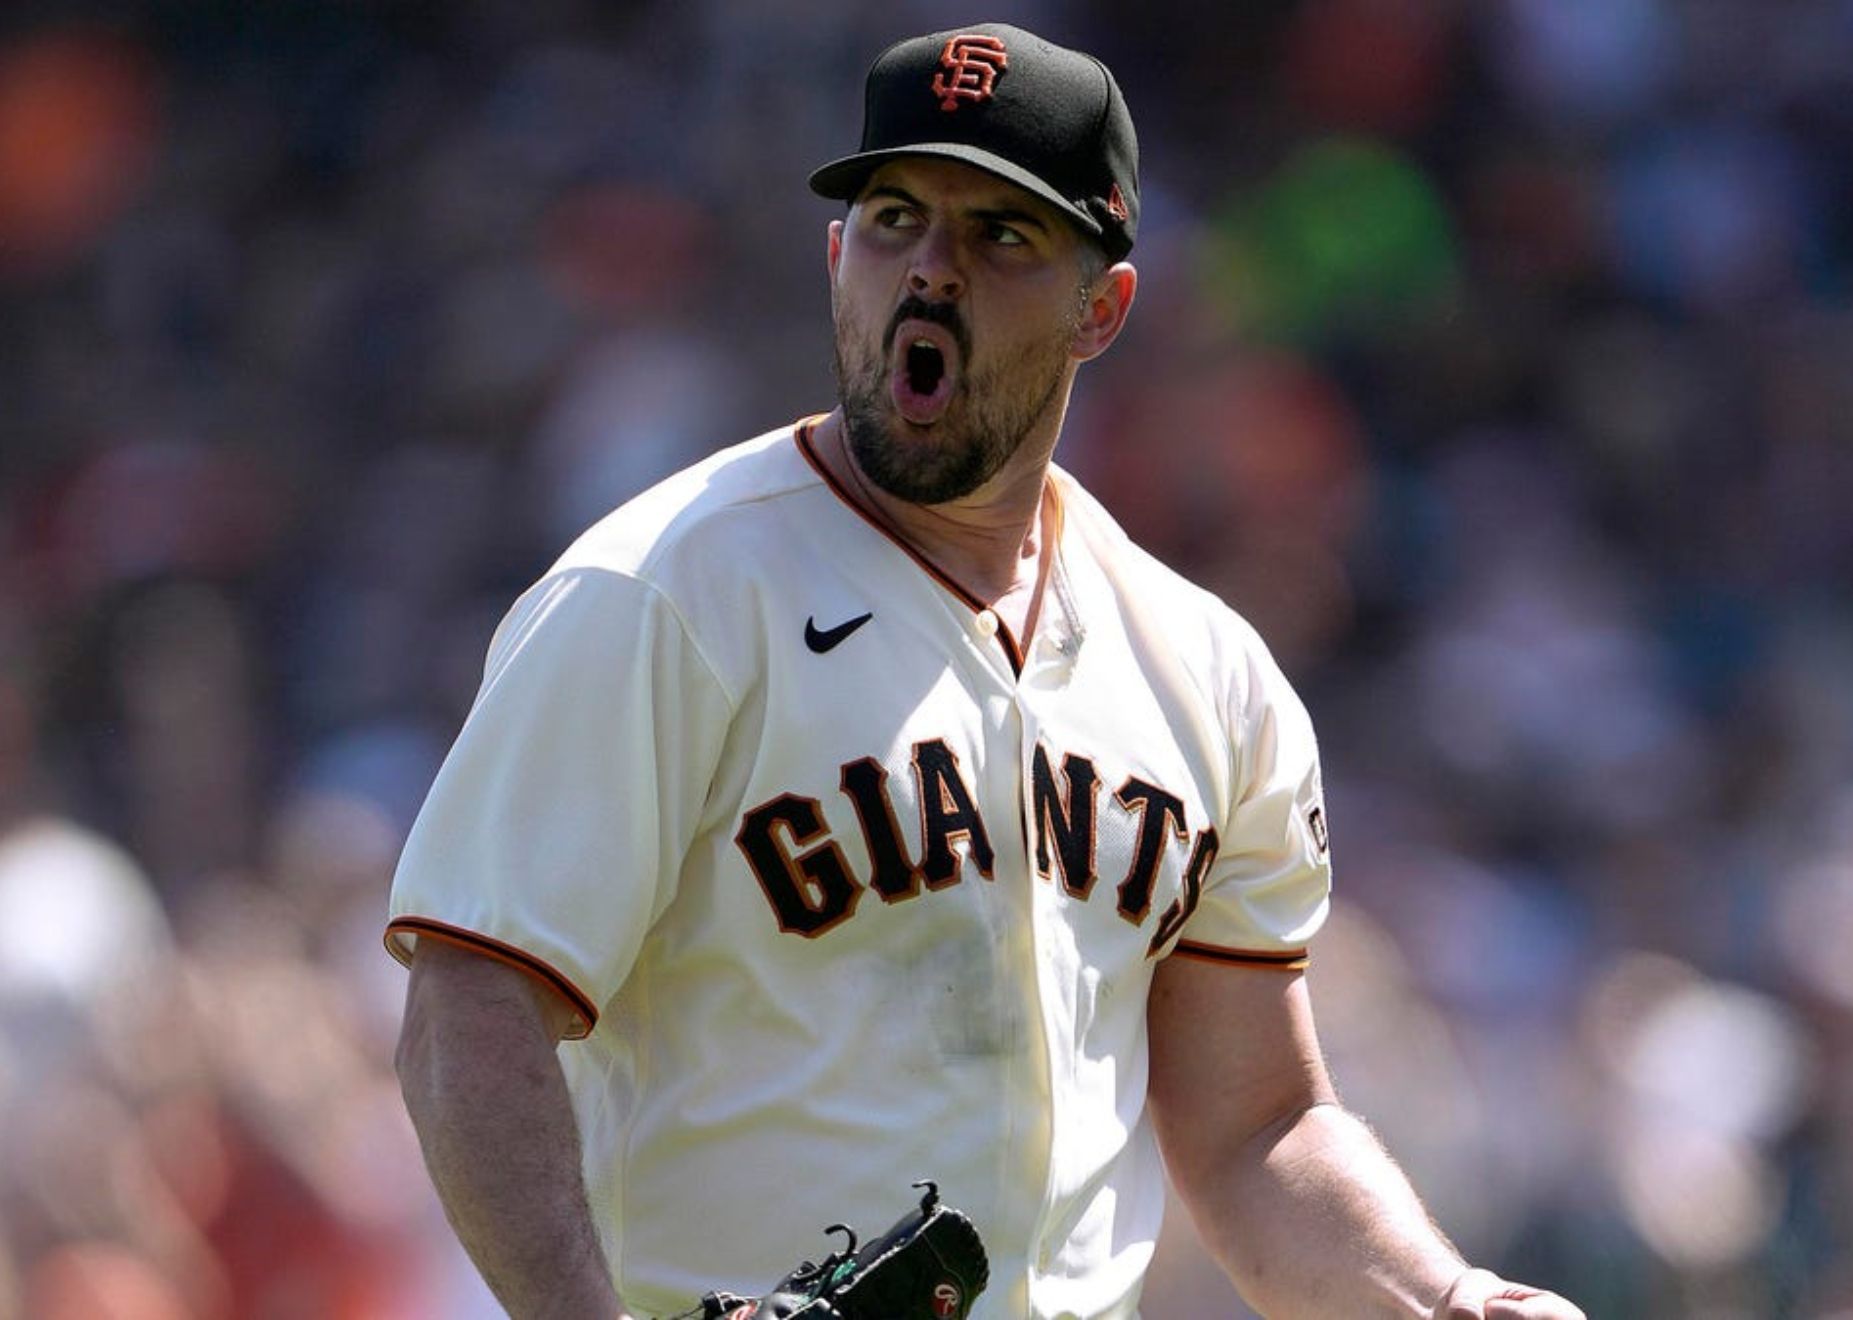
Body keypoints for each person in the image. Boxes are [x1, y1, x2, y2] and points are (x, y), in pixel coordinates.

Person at [387, 21, 1585, 1320]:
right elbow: (474, 1002)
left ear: (1102, 307)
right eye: (896, 220)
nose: (931, 274)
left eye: (1002, 236)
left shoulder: (1204, 673)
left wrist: (1449, 1297)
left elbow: (1255, 1133)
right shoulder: (662, 597)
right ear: (837, 255)